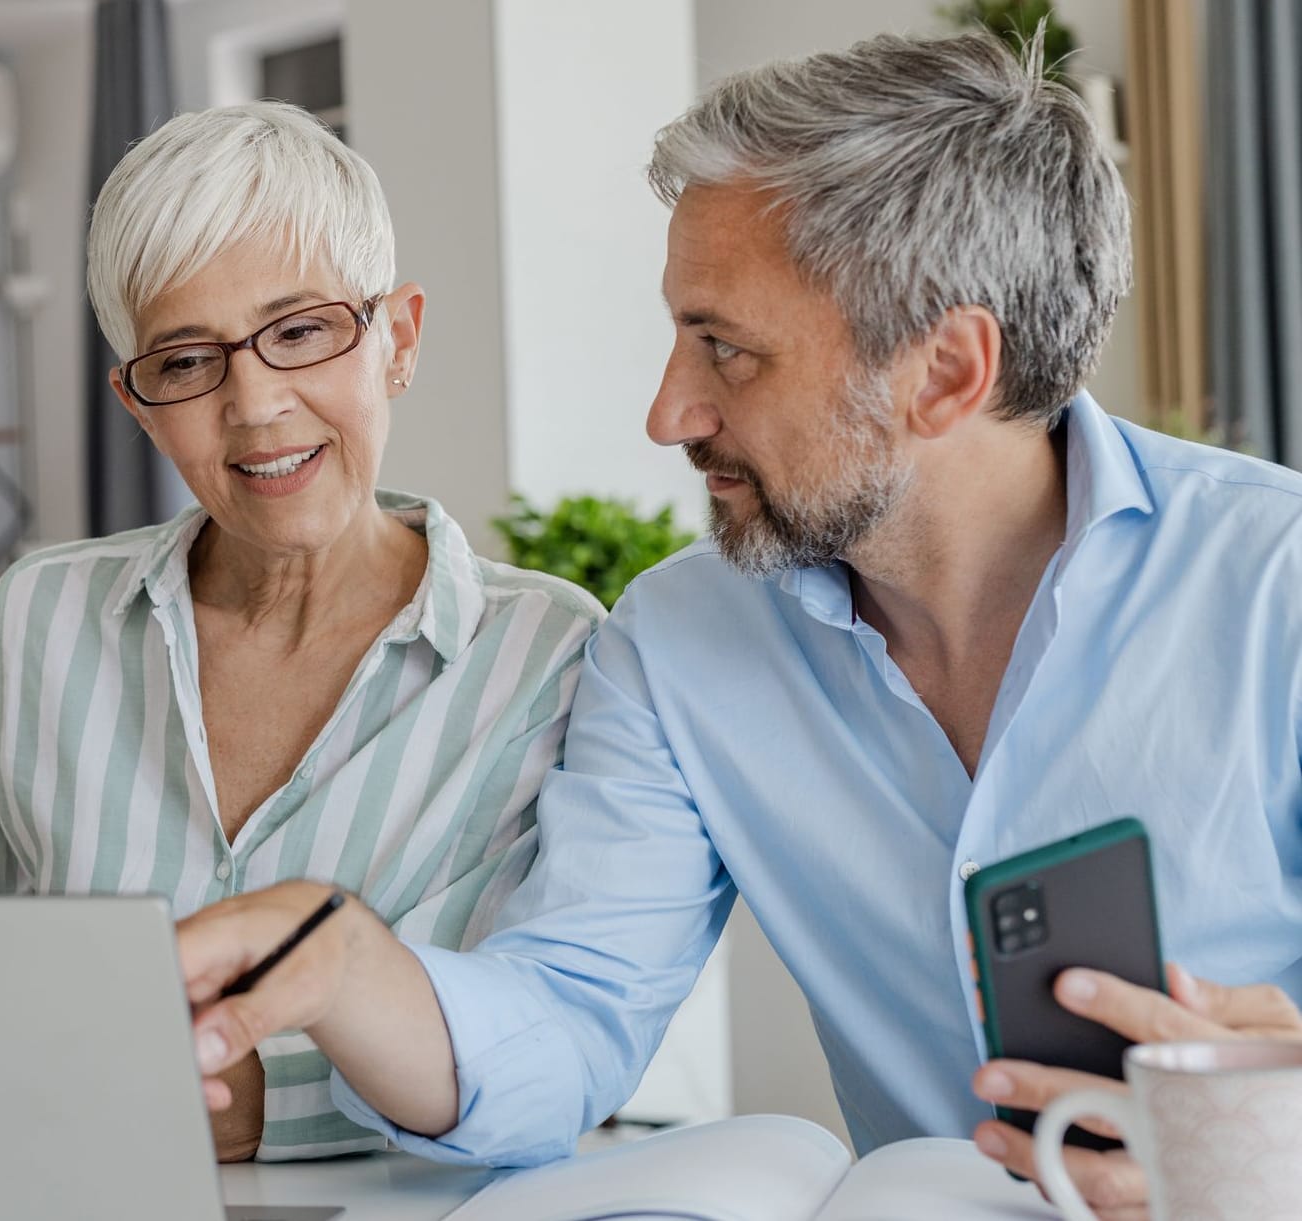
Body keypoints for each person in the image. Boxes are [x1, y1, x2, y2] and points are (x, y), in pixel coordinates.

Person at [174, 31, 1302, 1216]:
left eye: (726, 349)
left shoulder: (1274, 581)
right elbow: (569, 1016)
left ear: (944, 373)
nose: (667, 412)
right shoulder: (677, 642)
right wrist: (345, 963)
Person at [0, 102, 603, 1163]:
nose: (253, 406)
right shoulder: (43, 616)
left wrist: (258, 1106)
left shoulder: (545, 656)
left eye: (299, 333)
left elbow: (539, 1039)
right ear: (139, 404)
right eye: (187, 362)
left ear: (397, 341)